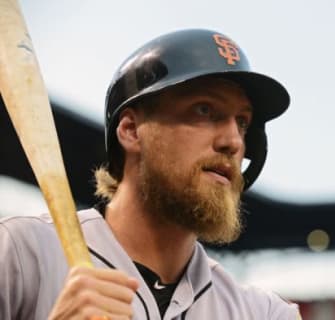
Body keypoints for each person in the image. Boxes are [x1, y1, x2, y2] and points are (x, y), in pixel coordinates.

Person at [0, 29, 301, 320]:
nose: (234, 141)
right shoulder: (20, 253)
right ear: (131, 131)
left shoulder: (264, 313)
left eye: (243, 122)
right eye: (205, 110)